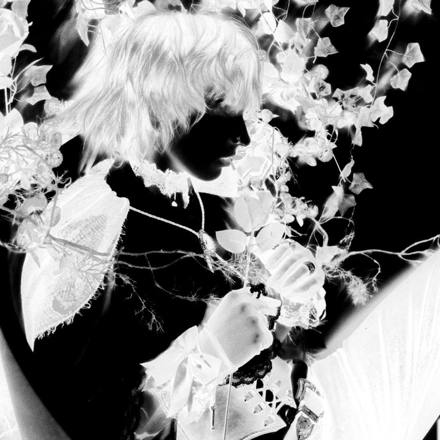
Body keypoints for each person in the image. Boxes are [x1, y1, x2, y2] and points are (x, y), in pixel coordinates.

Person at [12, 9, 325, 440]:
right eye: (222, 112)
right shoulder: (95, 221)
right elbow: (73, 414)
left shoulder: (195, 202)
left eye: (243, 115)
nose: (244, 137)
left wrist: (285, 296)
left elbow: (253, 331)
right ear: (160, 106)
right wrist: (208, 356)